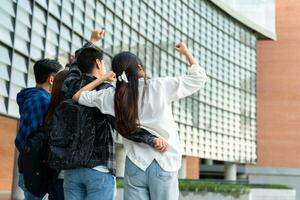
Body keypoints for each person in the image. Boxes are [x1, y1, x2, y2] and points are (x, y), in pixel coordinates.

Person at [72, 42, 208, 200]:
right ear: (140, 68)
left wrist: (103, 78)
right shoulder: (159, 86)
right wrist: (186, 53)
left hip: (136, 163)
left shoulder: (112, 96)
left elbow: (77, 96)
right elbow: (199, 78)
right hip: (164, 161)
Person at [60, 30, 166, 200]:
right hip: (98, 167)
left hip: (71, 168)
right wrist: (151, 138)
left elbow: (76, 65)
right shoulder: (106, 91)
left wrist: (91, 42)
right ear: (98, 63)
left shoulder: (70, 83)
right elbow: (123, 126)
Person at [15, 59, 63, 200]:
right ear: (52, 80)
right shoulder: (43, 100)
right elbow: (37, 138)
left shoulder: (29, 96)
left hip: (29, 165)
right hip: (36, 169)